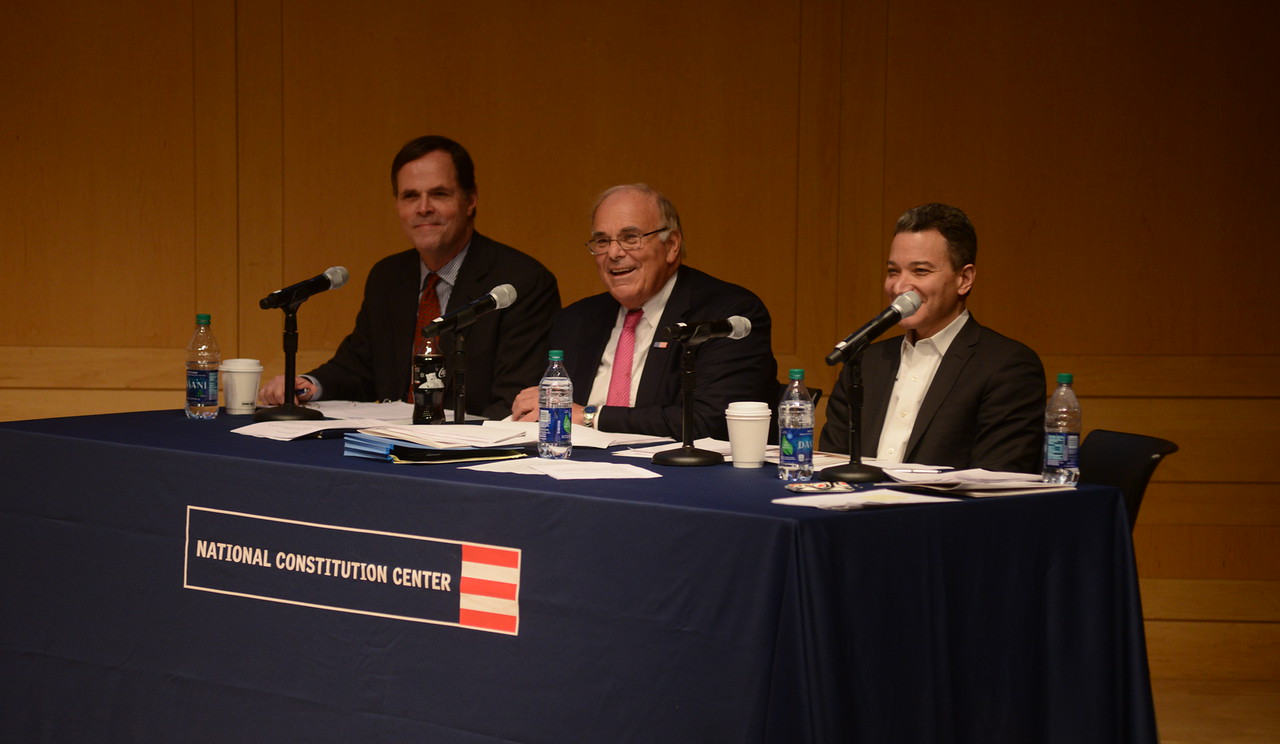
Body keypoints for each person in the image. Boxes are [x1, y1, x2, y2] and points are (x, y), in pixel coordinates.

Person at [259, 136, 559, 420]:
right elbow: (359, 368)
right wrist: (309, 385)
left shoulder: (521, 282)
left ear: (470, 200)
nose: (423, 208)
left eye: (439, 194)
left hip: (473, 454)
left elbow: (515, 399)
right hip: (388, 446)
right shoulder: (388, 277)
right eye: (410, 196)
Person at [511, 184, 777, 440]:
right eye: (602, 241)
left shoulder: (727, 314)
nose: (614, 253)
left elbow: (711, 420)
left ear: (671, 245)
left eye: (630, 238)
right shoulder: (576, 319)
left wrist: (593, 417)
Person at [819, 203, 1045, 472]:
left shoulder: (1007, 366)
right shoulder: (866, 361)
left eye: (920, 271)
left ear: (964, 279)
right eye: (893, 271)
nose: (900, 287)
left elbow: (996, 478)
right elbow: (831, 463)